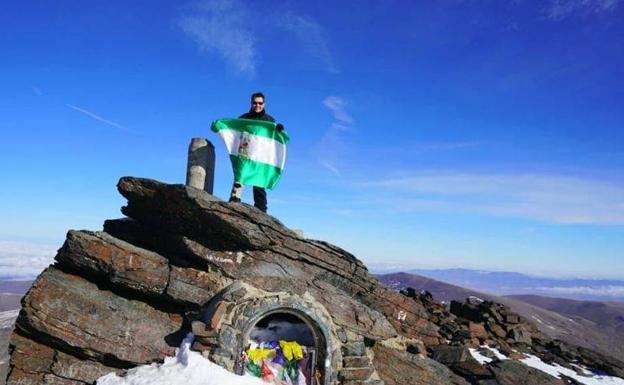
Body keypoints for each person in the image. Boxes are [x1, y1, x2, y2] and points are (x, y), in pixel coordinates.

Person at [229, 92, 284, 213]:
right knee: (240, 175)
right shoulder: (244, 118)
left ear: (264, 104)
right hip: (245, 150)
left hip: (261, 154)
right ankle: (234, 201)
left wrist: (278, 129)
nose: (257, 105)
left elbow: (274, 137)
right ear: (251, 103)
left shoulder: (269, 120)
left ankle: (261, 209)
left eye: (260, 103)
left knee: (259, 180)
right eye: (255, 103)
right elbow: (235, 131)